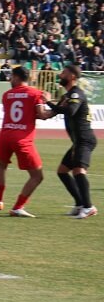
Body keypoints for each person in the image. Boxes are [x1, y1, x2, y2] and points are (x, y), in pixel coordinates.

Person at [0, 66, 54, 217]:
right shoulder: (35, 94)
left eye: (11, 77)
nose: (9, 80)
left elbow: (23, 113)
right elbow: (42, 115)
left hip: (5, 136)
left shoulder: (6, 95)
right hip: (22, 139)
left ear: (17, 77)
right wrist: (55, 107)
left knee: (1, 166)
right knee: (37, 176)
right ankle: (18, 207)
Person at [47, 64, 97, 218]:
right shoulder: (67, 96)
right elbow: (52, 113)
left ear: (72, 77)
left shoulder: (76, 94)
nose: (61, 75)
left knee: (78, 171)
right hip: (77, 141)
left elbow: (70, 111)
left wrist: (49, 102)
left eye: (64, 73)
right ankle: (80, 203)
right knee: (62, 171)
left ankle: (88, 207)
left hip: (84, 140)